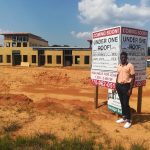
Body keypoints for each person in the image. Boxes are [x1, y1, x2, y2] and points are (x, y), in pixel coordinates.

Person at [115, 52, 135, 129]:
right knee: (122, 103)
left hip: (126, 86)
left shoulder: (130, 66)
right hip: (119, 86)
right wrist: (116, 84)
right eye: (122, 57)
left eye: (124, 57)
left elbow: (133, 77)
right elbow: (117, 75)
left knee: (126, 103)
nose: (123, 59)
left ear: (126, 58)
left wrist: (130, 89)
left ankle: (129, 120)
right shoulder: (119, 66)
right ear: (120, 58)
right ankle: (124, 117)